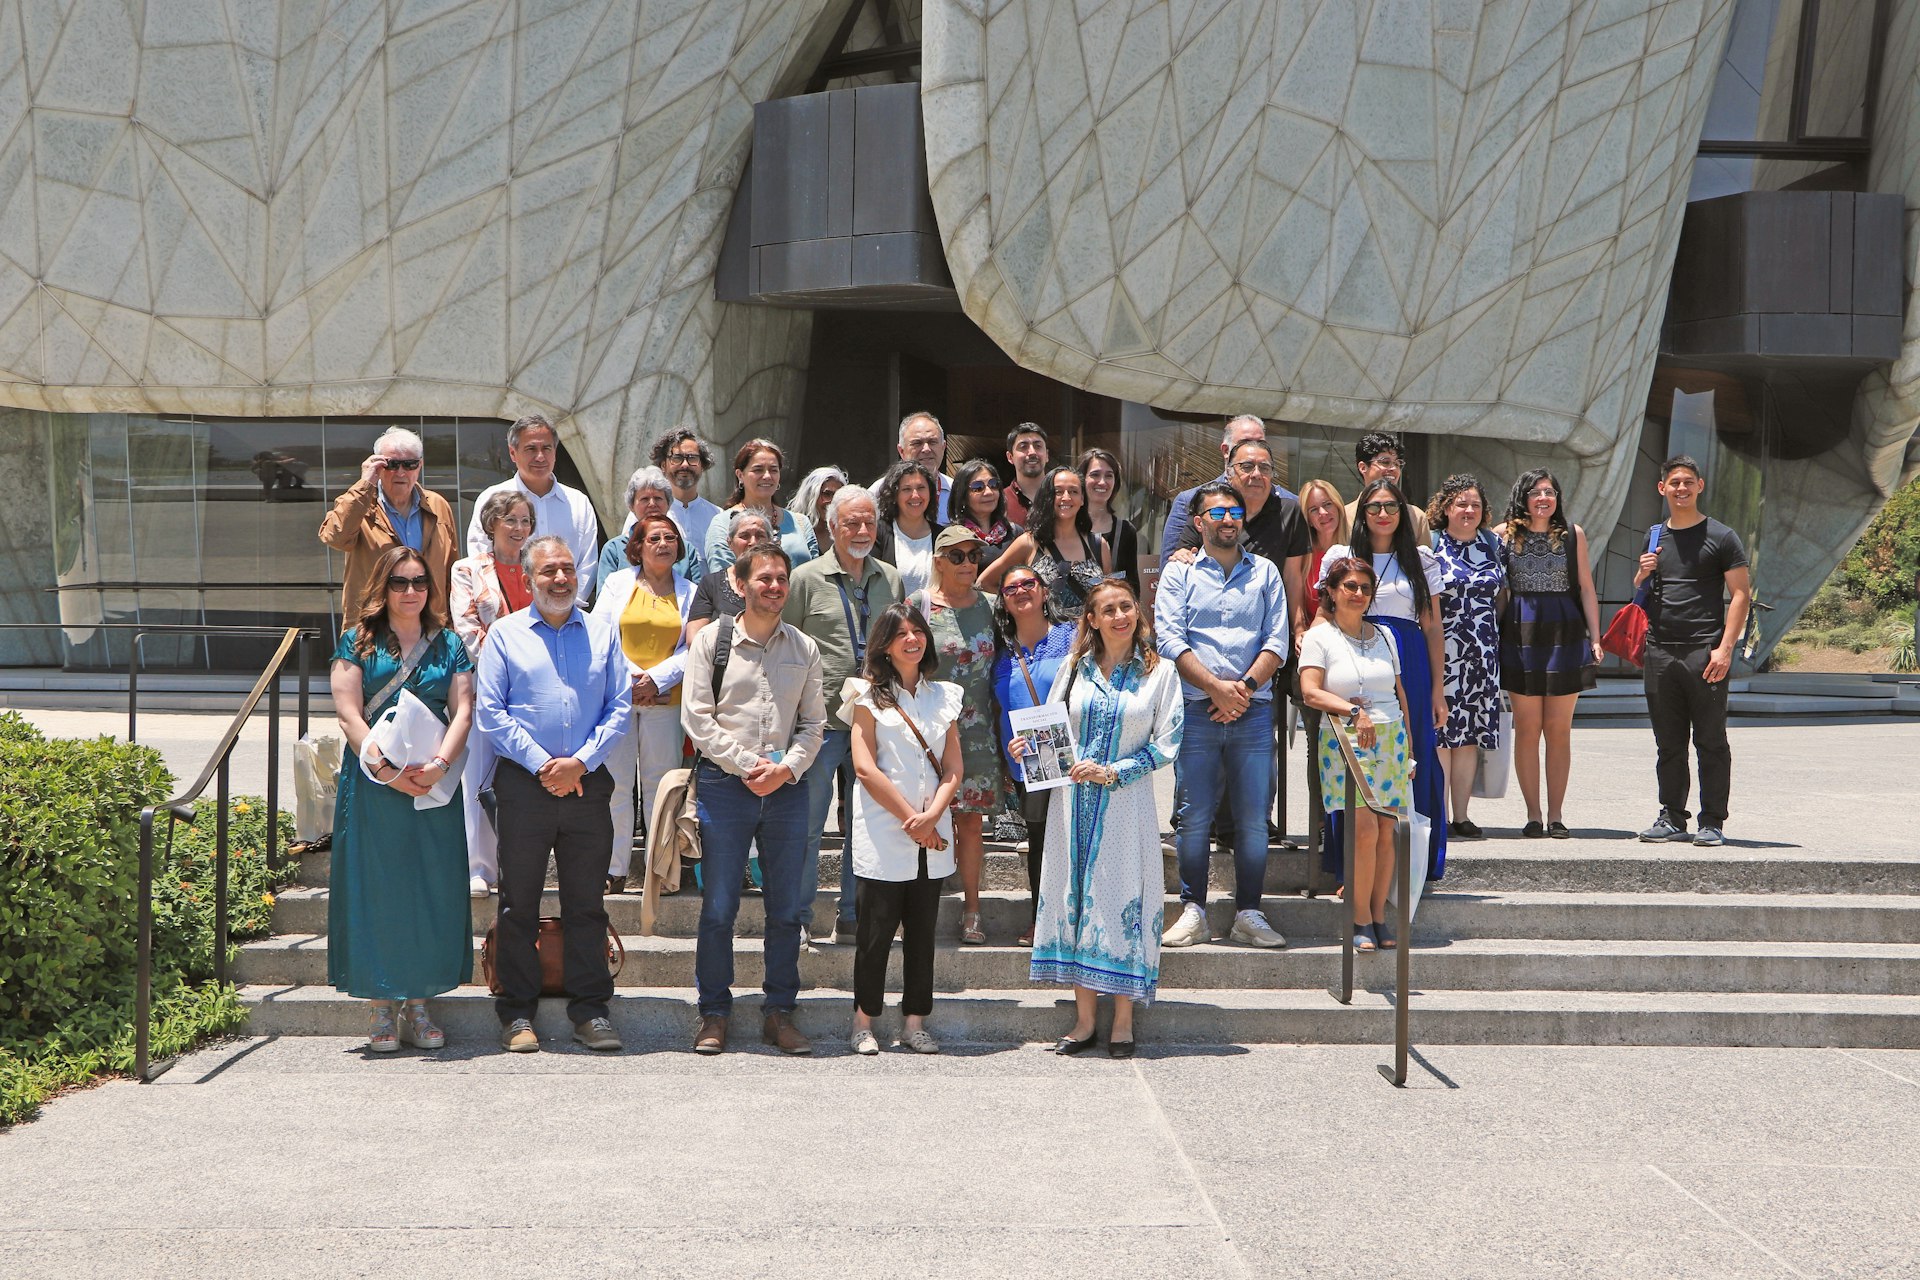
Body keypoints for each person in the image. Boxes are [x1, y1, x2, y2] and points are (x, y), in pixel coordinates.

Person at [473, 535, 631, 1054]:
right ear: (528, 577)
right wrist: (545, 764)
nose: (560, 579)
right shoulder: (504, 635)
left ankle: (591, 1011)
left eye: (567, 569)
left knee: (586, 902)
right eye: (548, 571)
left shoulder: (604, 634)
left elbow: (620, 706)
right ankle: (517, 1013)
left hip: (587, 783)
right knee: (518, 902)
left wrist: (579, 763)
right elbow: (490, 712)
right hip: (525, 783)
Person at [681, 543, 827, 1056]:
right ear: (740, 585)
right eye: (763, 578)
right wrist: (749, 766)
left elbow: (814, 724)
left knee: (786, 910)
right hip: (726, 788)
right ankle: (714, 1014)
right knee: (718, 908)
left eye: (781, 578)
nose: (774, 586)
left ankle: (779, 1013)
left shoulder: (804, 648)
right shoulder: (712, 642)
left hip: (786, 791)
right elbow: (697, 719)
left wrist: (784, 768)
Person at [327, 545, 474, 1052]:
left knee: (428, 885)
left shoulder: (450, 643)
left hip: (433, 782)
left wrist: (436, 768)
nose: (410, 591)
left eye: (419, 582)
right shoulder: (357, 642)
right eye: (399, 582)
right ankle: (380, 1008)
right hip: (373, 785)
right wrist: (386, 771)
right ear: (382, 587)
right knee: (379, 888)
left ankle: (419, 1000)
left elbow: (463, 711)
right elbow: (348, 715)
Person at [1026, 580, 1182, 1058]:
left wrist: (1113, 771)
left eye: (1126, 607)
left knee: (1121, 900)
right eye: (1108, 609)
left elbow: (1167, 743)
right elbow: (1051, 729)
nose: (1119, 616)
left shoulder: (1162, 673)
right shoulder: (1074, 668)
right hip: (1071, 806)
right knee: (1074, 899)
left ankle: (1123, 1020)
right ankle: (1085, 1019)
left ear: (1138, 613)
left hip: (1125, 807)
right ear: (1090, 619)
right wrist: (1028, 749)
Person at [1157, 482, 1290, 950]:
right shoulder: (1179, 574)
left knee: (1254, 820)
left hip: (1252, 713)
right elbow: (1170, 640)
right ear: (1199, 522)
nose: (1228, 518)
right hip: (1196, 712)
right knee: (1193, 820)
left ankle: (1248, 912)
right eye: (1217, 512)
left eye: (1234, 511)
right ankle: (1193, 910)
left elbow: (1278, 641)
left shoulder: (1267, 572)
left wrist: (1244, 689)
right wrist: (1216, 688)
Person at [842, 603, 964, 1055]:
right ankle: (863, 1022)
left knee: (923, 934)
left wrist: (931, 815)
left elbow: (953, 767)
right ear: (885, 646)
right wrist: (912, 821)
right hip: (884, 832)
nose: (912, 639)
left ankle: (915, 1022)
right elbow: (865, 768)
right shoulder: (865, 696)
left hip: (931, 834)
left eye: (918, 631)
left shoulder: (944, 695)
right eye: (901, 634)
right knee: (874, 935)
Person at [783, 486, 901, 944]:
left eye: (868, 522)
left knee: (867, 827)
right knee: (808, 828)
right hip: (820, 725)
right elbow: (787, 646)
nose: (861, 530)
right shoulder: (806, 578)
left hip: (873, 722)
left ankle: (853, 916)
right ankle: (798, 920)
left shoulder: (889, 578)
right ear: (831, 526)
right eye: (851, 522)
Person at [1323, 477, 1448, 879]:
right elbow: (1324, 615)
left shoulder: (1422, 559)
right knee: (1355, 758)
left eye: (1391, 507)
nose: (1382, 514)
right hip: (1352, 653)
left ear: (1403, 512)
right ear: (1361, 514)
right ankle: (1352, 869)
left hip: (1408, 660)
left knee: (1413, 757)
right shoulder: (1341, 556)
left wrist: (1437, 691)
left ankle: (1410, 866)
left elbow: (1432, 627)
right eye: (1373, 507)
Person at [1299, 557, 1414, 952]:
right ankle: (1359, 918)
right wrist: (1353, 711)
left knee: (1388, 832)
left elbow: (1399, 696)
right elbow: (1311, 691)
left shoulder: (1385, 635)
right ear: (1331, 591)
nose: (1358, 594)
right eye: (1349, 586)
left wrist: (1410, 751)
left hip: (1391, 739)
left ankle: (1379, 914)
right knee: (1364, 829)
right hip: (1346, 737)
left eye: (1365, 588)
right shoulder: (1320, 637)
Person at [1636, 456, 1751, 848]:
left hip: (1705, 651)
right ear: (1662, 488)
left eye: (1688, 482)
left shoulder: (1721, 536)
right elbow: (1642, 589)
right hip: (1660, 651)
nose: (1681, 489)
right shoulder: (1655, 537)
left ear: (1700, 486)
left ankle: (1713, 821)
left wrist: (1724, 649)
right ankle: (1671, 816)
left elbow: (1740, 595)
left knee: (1711, 740)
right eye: (1674, 483)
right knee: (1668, 742)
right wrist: (1642, 571)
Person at [908, 525, 1003, 944]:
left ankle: (972, 910)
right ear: (939, 561)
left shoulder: (993, 606)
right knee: (921, 816)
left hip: (979, 730)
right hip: (930, 729)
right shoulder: (919, 605)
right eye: (958, 556)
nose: (969, 563)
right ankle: (912, 908)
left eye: (974, 555)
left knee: (970, 822)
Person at [592, 513, 696, 894]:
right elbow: (601, 634)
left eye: (670, 537)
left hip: (666, 700)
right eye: (654, 538)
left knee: (662, 785)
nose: (663, 544)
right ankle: (614, 868)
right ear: (637, 546)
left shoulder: (691, 591)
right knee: (617, 786)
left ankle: (659, 869)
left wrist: (657, 679)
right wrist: (634, 679)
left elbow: (692, 647)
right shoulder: (619, 583)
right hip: (619, 698)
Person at [1497, 469, 1602, 839]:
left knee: (1558, 730)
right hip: (1519, 633)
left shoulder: (1574, 535)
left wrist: (1596, 637)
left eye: (1550, 491)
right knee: (1527, 729)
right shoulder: (1503, 535)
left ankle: (1556, 815)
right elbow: (1497, 591)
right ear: (1523, 496)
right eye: (1536, 492)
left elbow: (1587, 588)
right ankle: (1532, 814)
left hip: (1565, 631)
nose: (1544, 498)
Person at [449, 490, 536, 896]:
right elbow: (468, 630)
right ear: (491, 525)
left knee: (526, 779)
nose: (519, 529)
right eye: (511, 521)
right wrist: (515, 663)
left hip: (537, 690)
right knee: (480, 775)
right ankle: (479, 867)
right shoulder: (467, 569)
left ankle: (520, 863)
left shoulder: (541, 566)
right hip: (487, 685)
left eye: (525, 521)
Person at [991, 564, 1076, 946]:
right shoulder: (1000, 654)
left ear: (1044, 592)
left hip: (1076, 757)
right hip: (1031, 764)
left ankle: (1081, 920)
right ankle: (1041, 921)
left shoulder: (1074, 640)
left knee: (1079, 838)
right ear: (1004, 602)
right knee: (1041, 845)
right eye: (1012, 588)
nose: (1021, 590)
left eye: (1029, 583)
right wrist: (1007, 749)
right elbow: (999, 711)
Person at [1428, 475, 1505, 840]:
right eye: (1461, 504)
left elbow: (1501, 599)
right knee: (1443, 736)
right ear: (1445, 509)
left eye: (1475, 504)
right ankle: (1439, 815)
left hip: (1483, 657)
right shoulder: (1430, 548)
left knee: (1470, 737)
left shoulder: (1493, 545)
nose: (1468, 510)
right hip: (1446, 655)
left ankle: (1462, 815)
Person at [318, 426, 458, 622]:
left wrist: (451, 626)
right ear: (376, 466)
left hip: (430, 627)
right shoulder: (358, 505)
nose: (400, 472)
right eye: (391, 464)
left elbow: (451, 571)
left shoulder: (437, 505)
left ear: (420, 466)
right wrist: (365, 483)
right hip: (374, 629)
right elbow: (335, 538)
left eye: (409, 464)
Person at [466, 414, 602, 602]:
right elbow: (481, 559)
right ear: (513, 453)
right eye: (531, 449)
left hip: (566, 615)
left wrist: (567, 608)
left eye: (546, 448)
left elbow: (587, 563)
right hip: (507, 615)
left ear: (555, 451)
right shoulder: (491, 498)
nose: (540, 456)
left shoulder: (578, 502)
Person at [982, 465, 1114, 614]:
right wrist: (1016, 609)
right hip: (1042, 636)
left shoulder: (1098, 546)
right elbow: (985, 583)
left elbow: (1108, 599)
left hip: (1088, 636)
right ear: (1048, 497)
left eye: (1073, 491)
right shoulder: (1029, 543)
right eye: (1058, 492)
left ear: (1082, 498)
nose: (1066, 497)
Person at [1158, 415, 1283, 564]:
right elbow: (1171, 567)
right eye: (1244, 443)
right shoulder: (1190, 500)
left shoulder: (1287, 505)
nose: (1253, 449)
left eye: (1260, 443)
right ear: (1225, 450)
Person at [701, 439, 818, 577]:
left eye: (773, 470)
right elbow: (722, 579)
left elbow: (815, 576)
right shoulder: (722, 523)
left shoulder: (800, 522)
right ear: (740, 475)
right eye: (758, 470)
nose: (767, 476)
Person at [597, 467, 695, 587]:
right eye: (644, 499)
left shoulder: (687, 550)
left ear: (668, 504)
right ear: (632, 506)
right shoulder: (614, 550)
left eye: (658, 498)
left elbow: (697, 598)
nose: (652, 504)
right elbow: (605, 599)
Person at [685, 507, 772, 640]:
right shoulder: (711, 583)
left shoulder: (780, 583)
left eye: (760, 536)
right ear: (729, 542)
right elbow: (694, 638)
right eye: (744, 536)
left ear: (769, 541)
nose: (753, 542)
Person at [652, 428, 722, 571]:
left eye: (692, 458)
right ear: (663, 465)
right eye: (677, 458)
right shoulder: (648, 513)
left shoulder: (718, 517)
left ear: (702, 465)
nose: (685, 465)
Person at [871, 460, 943, 597]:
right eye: (906, 489)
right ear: (894, 495)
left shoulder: (942, 536)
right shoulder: (877, 532)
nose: (915, 495)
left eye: (921, 488)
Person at [1342, 432, 1430, 541]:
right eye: (1385, 462)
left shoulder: (1416, 517)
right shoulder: (1343, 517)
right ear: (1363, 467)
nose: (1393, 469)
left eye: (1397, 464)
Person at [1079, 447, 1140, 595]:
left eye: (1109, 476)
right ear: (1081, 478)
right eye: (1095, 475)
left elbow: (1133, 587)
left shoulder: (1126, 531)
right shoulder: (1067, 526)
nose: (1102, 482)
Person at [873, 411, 953, 522]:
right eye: (917, 443)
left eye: (932, 442)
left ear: (943, 447)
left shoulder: (956, 491)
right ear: (901, 451)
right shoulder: (878, 493)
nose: (926, 449)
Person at [1298, 478, 1350, 625]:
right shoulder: (1302, 557)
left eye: (1328, 504)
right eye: (1313, 510)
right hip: (1312, 639)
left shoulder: (1356, 550)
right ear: (1308, 519)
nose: (1323, 513)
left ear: (1339, 507)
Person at [953, 458, 1014, 551]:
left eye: (993, 484)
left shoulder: (1015, 533)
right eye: (978, 487)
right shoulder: (953, 538)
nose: (989, 492)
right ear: (963, 495)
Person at [792, 466, 848, 558]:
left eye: (838, 495)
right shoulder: (793, 529)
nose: (833, 501)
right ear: (810, 496)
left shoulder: (846, 533)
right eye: (827, 494)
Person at [1003, 423, 1051, 528]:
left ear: (1047, 455)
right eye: (1023, 446)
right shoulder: (1000, 501)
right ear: (1010, 457)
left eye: (1038, 446)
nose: (1032, 452)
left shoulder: (1063, 497)